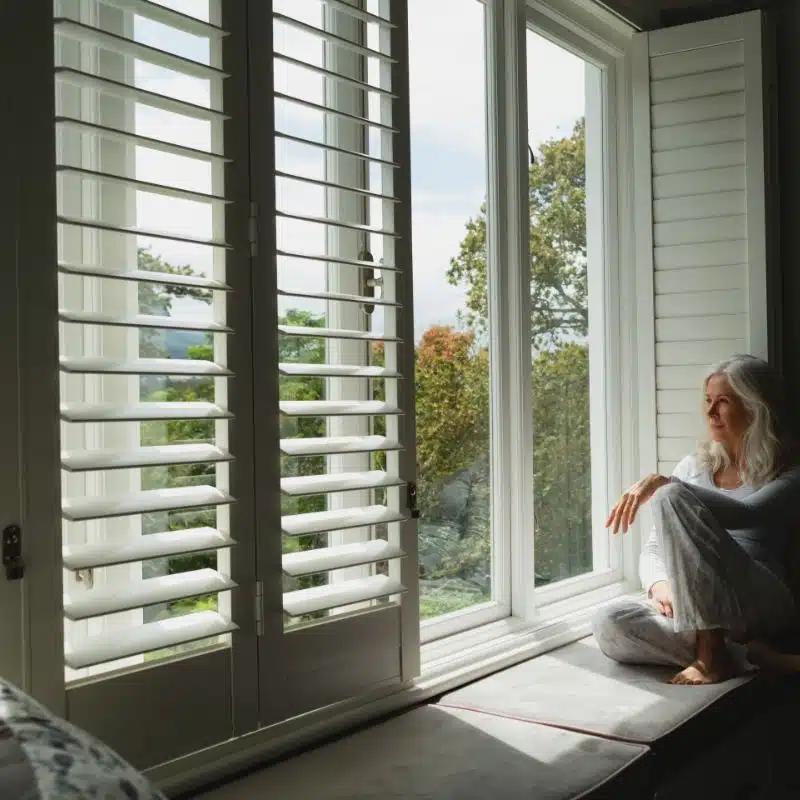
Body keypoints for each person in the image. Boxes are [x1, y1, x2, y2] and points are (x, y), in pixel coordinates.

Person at [592, 354, 800, 685]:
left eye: (723, 402)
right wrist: (660, 585)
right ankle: (747, 655)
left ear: (755, 409)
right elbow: (655, 548)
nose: (710, 412)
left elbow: (749, 514)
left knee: (671, 496)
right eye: (707, 401)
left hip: (760, 598)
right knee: (609, 622)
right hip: (706, 609)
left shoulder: (788, 470)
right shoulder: (694, 466)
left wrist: (667, 485)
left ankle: (713, 654)